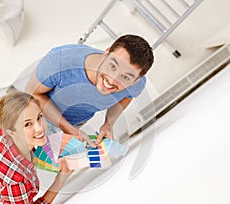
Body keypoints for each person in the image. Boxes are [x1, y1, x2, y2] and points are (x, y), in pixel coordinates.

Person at [26, 34, 154, 147]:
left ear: (135, 81)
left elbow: (127, 96)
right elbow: (32, 94)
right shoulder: (59, 61)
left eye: (125, 77)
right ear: (105, 54)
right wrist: (66, 128)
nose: (112, 80)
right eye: (112, 66)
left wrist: (108, 123)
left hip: (74, 124)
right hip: (33, 116)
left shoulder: (136, 84)